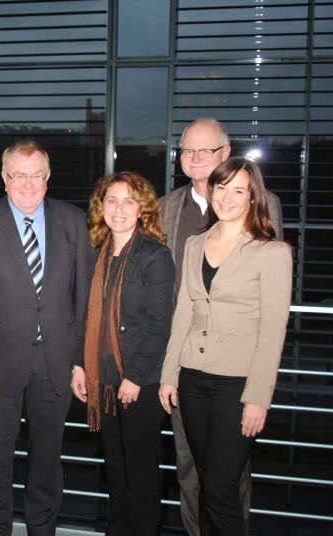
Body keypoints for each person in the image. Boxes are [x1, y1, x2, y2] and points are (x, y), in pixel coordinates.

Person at [0, 140, 90, 535]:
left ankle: (41, 530)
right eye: (19, 175)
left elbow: (83, 300)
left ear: (48, 178)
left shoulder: (73, 220)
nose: (28, 184)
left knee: (47, 460)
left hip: (57, 364)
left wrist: (79, 360)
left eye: (36, 175)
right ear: (4, 178)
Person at [159, 117, 284, 535]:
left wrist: (259, 395)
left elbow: (271, 318)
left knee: (225, 479)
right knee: (189, 470)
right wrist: (168, 371)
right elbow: (179, 305)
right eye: (187, 151)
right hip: (189, 371)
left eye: (205, 150)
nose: (195, 159)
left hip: (238, 378)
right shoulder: (168, 210)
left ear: (225, 154)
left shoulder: (268, 232)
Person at [71, 172, 175, 536]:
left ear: (142, 209)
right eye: (111, 200)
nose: (119, 209)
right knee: (114, 466)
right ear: (101, 207)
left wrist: (134, 377)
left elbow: (158, 325)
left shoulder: (154, 255)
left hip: (139, 383)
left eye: (128, 201)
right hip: (103, 379)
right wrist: (79, 366)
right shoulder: (96, 253)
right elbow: (84, 316)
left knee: (142, 471)